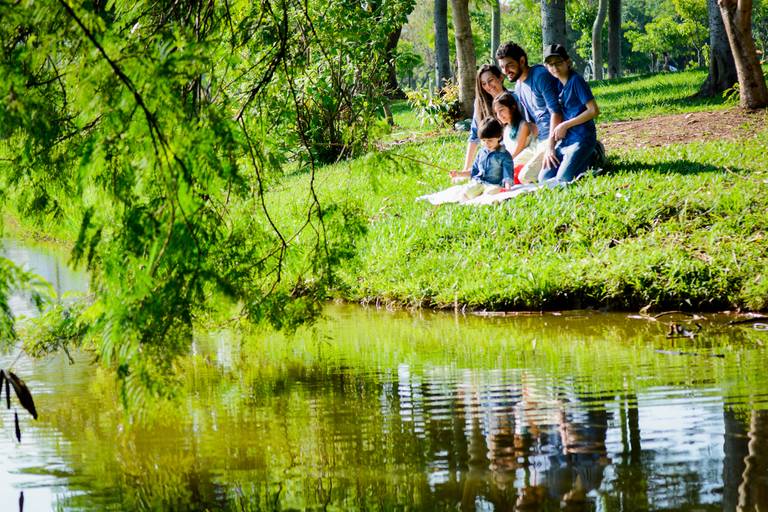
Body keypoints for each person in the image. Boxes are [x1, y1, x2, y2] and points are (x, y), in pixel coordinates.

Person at [496, 42, 563, 184]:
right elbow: (531, 121)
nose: (505, 70)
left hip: (555, 139)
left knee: (525, 176)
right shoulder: (519, 86)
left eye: (509, 65)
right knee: (507, 170)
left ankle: (592, 153)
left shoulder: (540, 76)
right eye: (502, 67)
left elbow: (556, 113)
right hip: (538, 142)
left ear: (522, 61)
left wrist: (550, 147)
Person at [538, 44, 600, 186]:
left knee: (563, 179)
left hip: (582, 138)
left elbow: (593, 110)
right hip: (566, 141)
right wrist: (550, 147)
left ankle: (595, 155)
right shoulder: (558, 85)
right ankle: (582, 160)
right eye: (550, 64)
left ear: (568, 62)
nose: (554, 67)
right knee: (543, 178)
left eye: (558, 63)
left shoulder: (576, 81)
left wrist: (566, 124)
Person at [456, 64, 508, 176]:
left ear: (500, 77)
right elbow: (474, 136)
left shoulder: (513, 98)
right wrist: (466, 167)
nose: (488, 86)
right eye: (484, 84)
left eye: (491, 80)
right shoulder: (480, 104)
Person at [451, 117, 514, 191]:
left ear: (499, 137)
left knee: (490, 193)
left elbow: (507, 174)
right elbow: (474, 171)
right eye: (483, 140)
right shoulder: (481, 152)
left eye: (490, 140)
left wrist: (507, 187)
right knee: (466, 193)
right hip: (479, 183)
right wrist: (458, 174)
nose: (486, 143)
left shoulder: (504, 155)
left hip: (494, 185)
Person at [492, 92, 534, 184]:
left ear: (513, 107)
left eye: (501, 110)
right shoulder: (506, 129)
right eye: (496, 113)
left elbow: (518, 150)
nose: (499, 115)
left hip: (523, 158)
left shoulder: (523, 125)